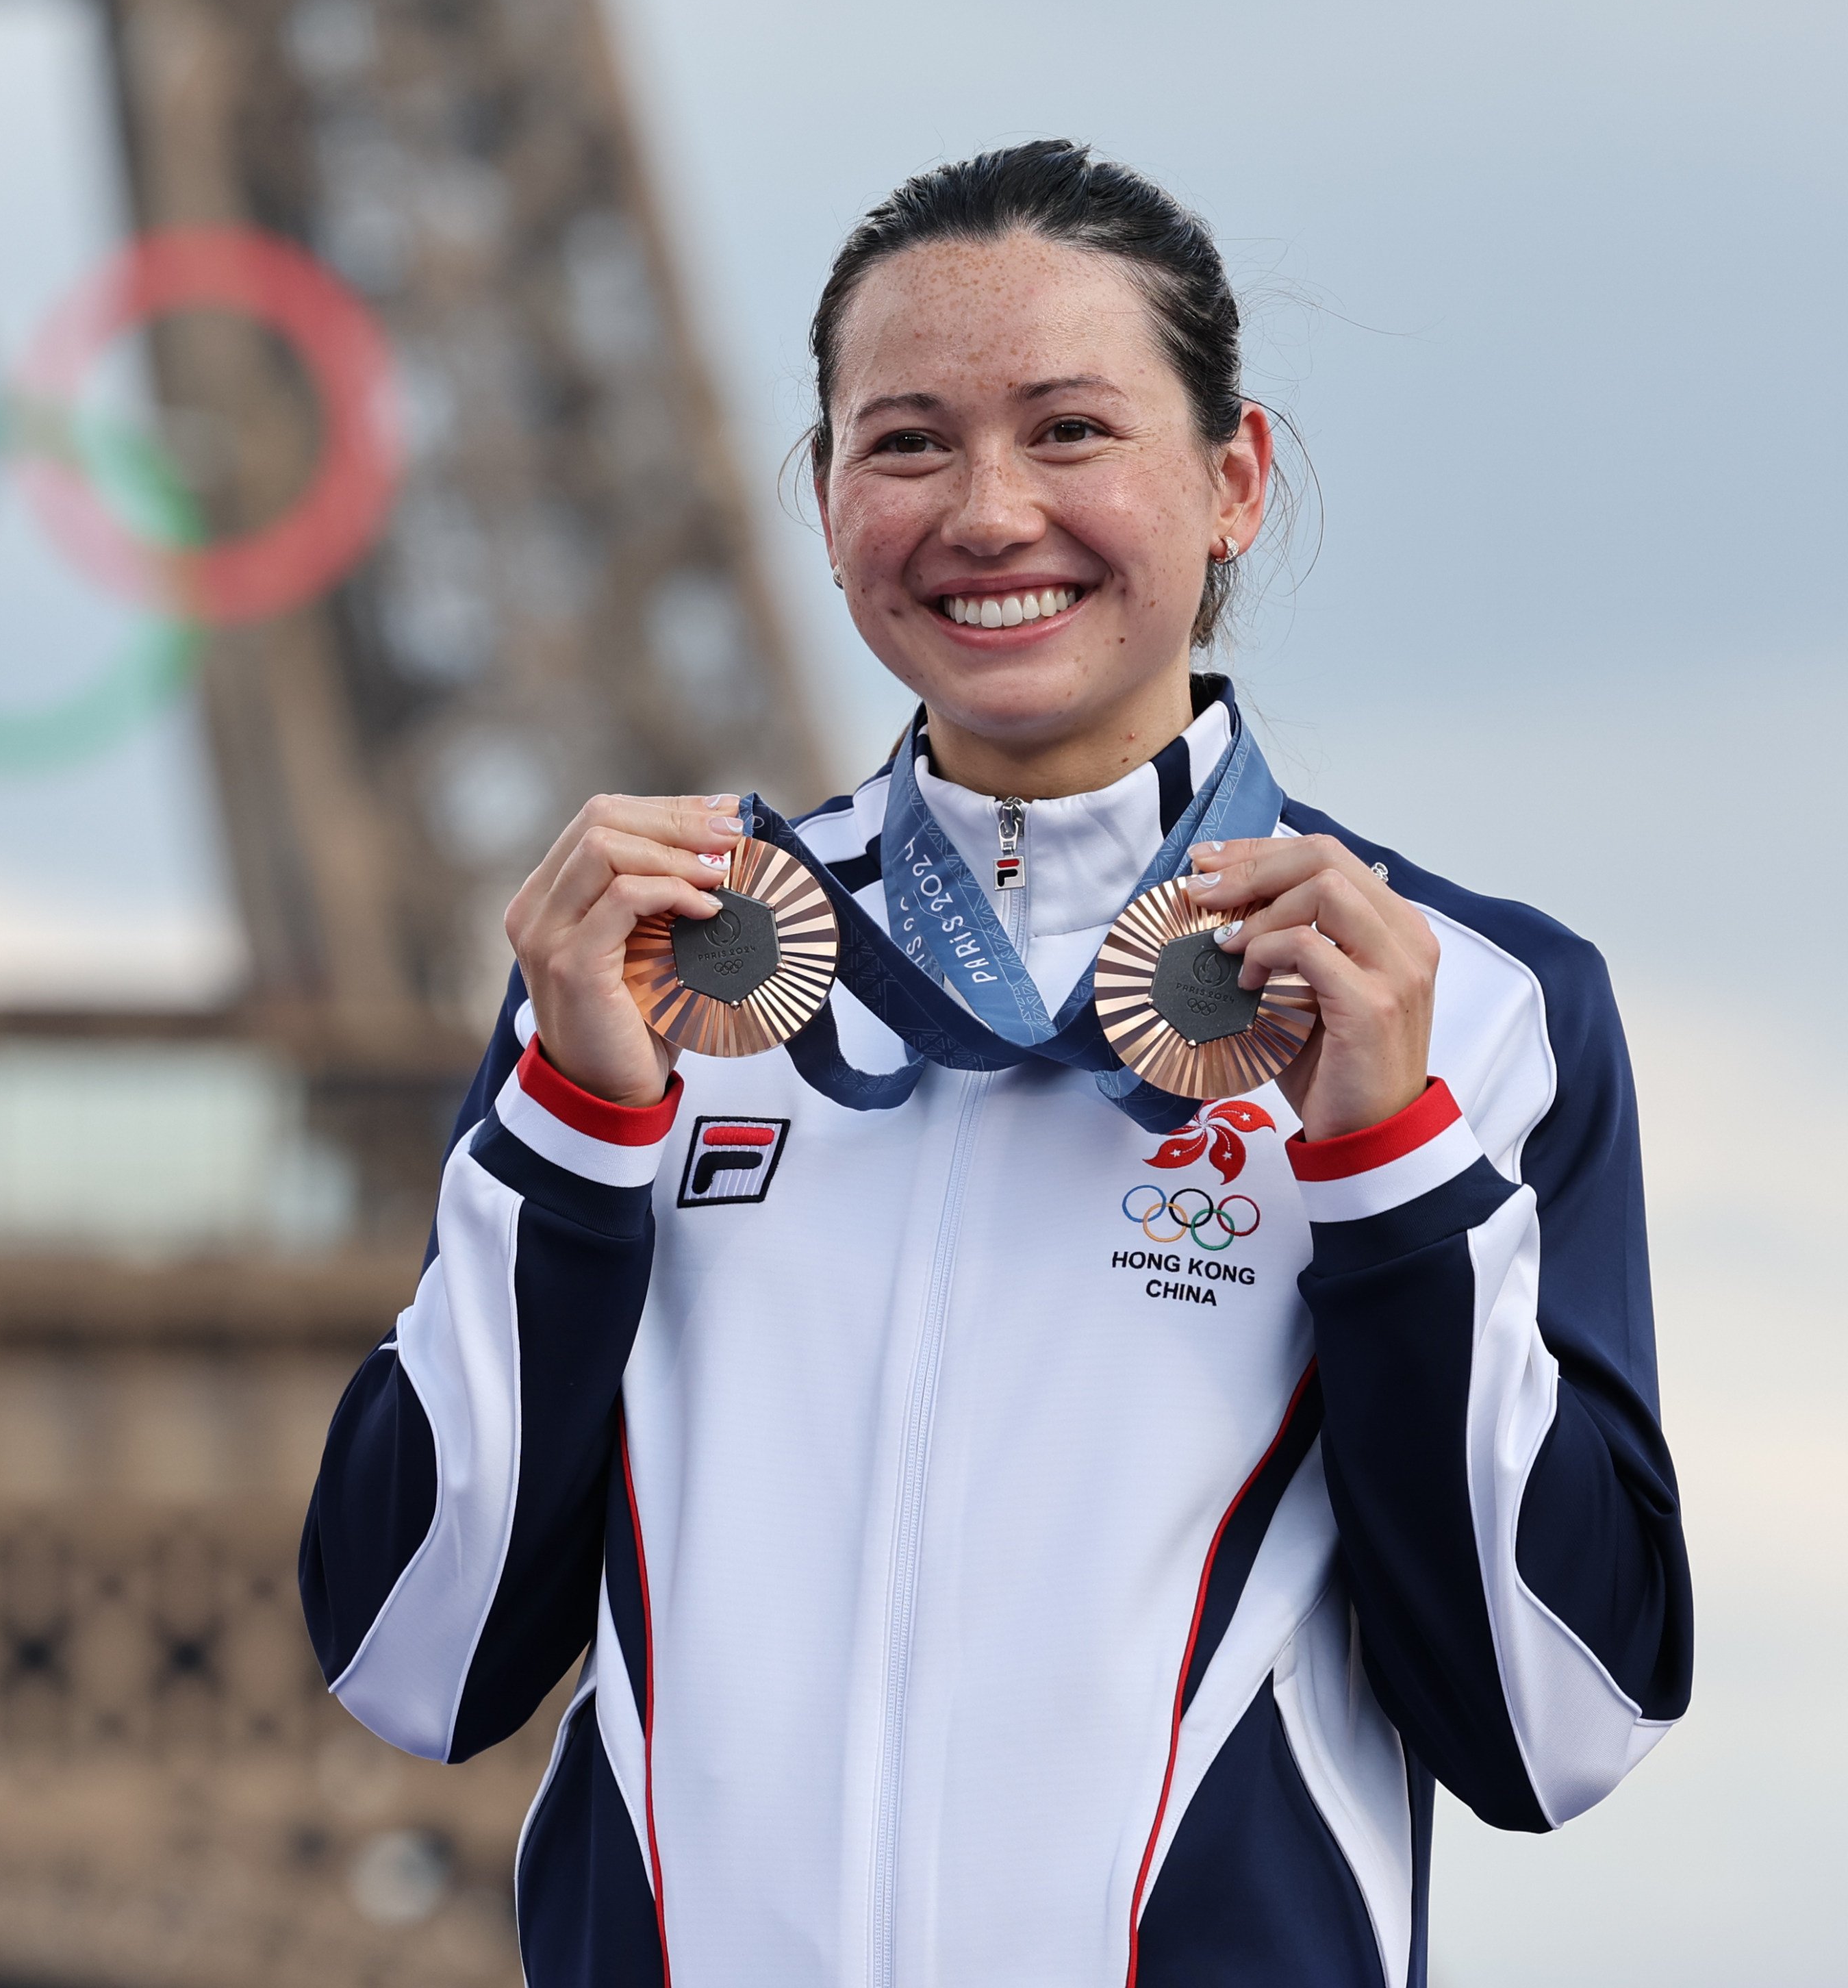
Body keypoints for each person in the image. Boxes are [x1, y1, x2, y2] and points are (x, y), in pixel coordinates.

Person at [298, 141, 1689, 1986]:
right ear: (818, 495)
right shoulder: (644, 983)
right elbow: (414, 1659)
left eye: (1070, 430)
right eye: (906, 442)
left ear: (1233, 478)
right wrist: (574, 1124)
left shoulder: (1477, 1007)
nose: (988, 510)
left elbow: (1555, 1724)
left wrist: (1391, 1169)